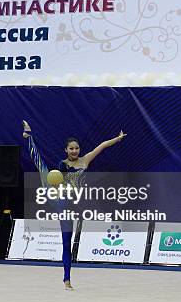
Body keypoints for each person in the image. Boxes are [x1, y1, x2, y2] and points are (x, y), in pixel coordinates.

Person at [22, 120, 126, 290]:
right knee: (42, 169)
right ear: (66, 150)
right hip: (60, 200)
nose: (74, 151)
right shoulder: (62, 164)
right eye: (71, 148)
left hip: (74, 205)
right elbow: (60, 184)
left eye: (76, 148)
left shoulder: (85, 161)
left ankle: (66, 280)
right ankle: (28, 137)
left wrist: (118, 138)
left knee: (66, 242)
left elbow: (102, 146)